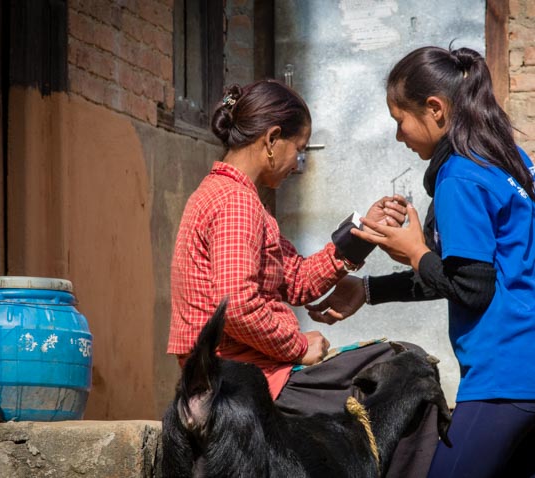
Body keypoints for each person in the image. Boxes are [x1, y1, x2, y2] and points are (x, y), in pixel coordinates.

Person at [307, 46, 535, 477]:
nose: (399, 136)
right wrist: (368, 289)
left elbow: (472, 288)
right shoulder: (508, 158)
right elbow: (460, 275)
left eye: (400, 121)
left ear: (434, 109)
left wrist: (416, 251)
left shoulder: (459, 175)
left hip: (508, 379)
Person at [167, 79, 437, 477]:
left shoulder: (228, 196)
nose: (298, 163)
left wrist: (362, 233)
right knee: (410, 369)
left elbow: (297, 280)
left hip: (233, 375)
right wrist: (297, 345)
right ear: (273, 139)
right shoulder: (236, 203)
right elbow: (237, 305)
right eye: (299, 148)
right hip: (246, 380)